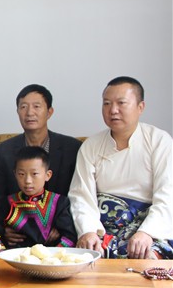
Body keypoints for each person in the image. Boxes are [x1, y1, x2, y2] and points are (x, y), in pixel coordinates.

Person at [69, 77, 173, 259]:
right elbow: (81, 196)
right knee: (85, 255)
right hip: (104, 228)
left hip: (149, 227)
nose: (113, 110)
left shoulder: (159, 141)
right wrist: (88, 231)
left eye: (121, 103)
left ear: (140, 107)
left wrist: (147, 232)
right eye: (107, 103)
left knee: (149, 258)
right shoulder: (91, 145)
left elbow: (167, 195)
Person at [0, 85, 82, 246]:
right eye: (23, 107)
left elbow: (79, 193)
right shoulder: (3, 151)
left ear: (49, 112)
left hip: (60, 235)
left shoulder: (72, 148)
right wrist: (3, 230)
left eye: (37, 106)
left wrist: (64, 227)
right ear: (18, 111)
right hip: (19, 236)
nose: (29, 113)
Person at [4, 147, 76, 248]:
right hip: (16, 256)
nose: (28, 180)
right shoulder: (8, 202)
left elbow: (69, 238)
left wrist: (54, 254)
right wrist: (3, 234)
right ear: (15, 174)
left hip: (50, 255)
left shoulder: (59, 202)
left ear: (48, 175)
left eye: (34, 174)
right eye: (21, 174)